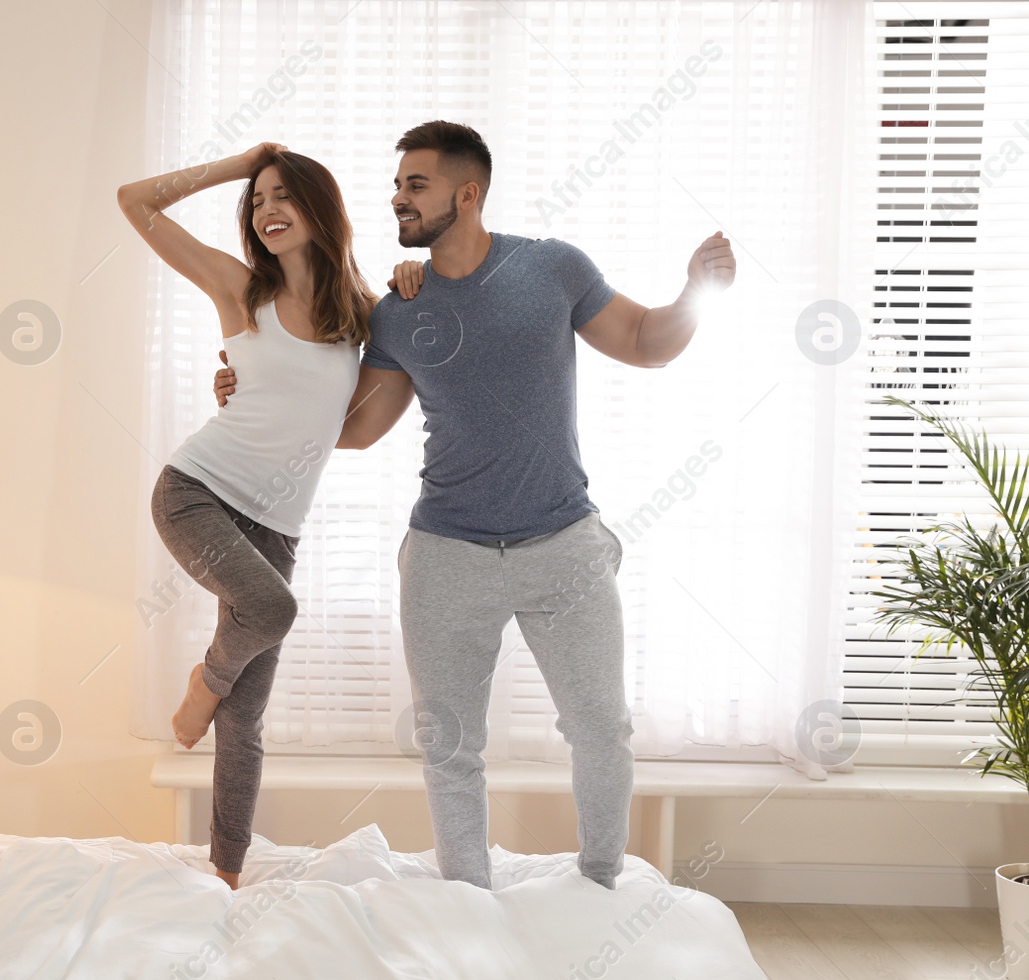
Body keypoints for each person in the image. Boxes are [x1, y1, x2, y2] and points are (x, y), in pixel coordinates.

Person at [215, 121, 735, 890]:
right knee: (449, 743)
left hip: (564, 546)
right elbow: (355, 429)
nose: (398, 199)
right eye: (396, 186)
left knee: (601, 729)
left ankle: (600, 890)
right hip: (446, 555)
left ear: (468, 192)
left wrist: (696, 290)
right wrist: (252, 388)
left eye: (414, 185)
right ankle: (467, 899)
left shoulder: (553, 269)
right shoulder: (398, 309)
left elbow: (646, 341)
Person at [117, 142, 377, 890]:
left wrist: (414, 284)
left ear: (321, 210)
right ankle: (204, 680)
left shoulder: (359, 317)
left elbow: (351, 424)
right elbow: (135, 200)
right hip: (196, 489)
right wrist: (244, 163)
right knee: (272, 607)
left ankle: (226, 871)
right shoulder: (238, 288)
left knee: (247, 718)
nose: (266, 210)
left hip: (278, 525)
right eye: (257, 200)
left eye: (283, 196)